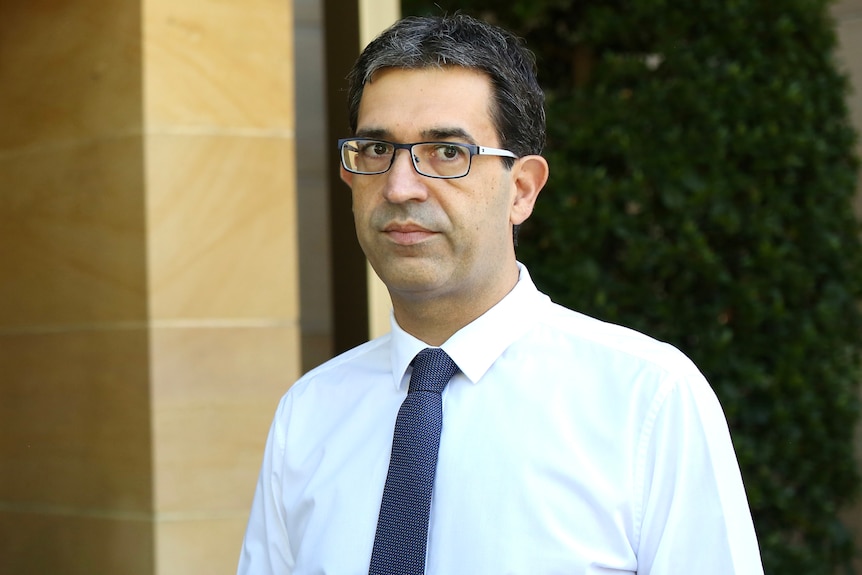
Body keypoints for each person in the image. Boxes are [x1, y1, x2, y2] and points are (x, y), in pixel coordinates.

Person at [237, 13, 764, 575]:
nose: (399, 186)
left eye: (446, 153)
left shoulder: (648, 401)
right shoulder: (310, 413)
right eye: (376, 150)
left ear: (522, 190)